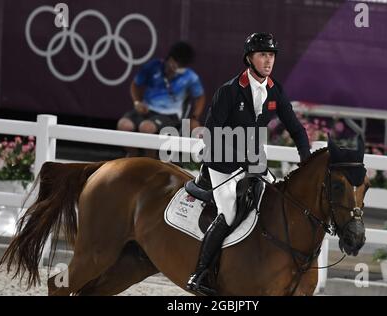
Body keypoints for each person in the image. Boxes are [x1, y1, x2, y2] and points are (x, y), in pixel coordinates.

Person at [186, 32, 311, 294]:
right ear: (249, 59)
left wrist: (306, 157)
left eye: (272, 55)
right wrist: (243, 159)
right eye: (263, 55)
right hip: (223, 164)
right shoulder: (229, 91)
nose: (268, 60)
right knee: (229, 212)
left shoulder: (274, 89)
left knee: (277, 201)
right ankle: (199, 275)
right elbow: (211, 134)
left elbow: (295, 127)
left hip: (253, 163)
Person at [117, 41, 206, 157]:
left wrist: (195, 117)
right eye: (175, 65)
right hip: (146, 110)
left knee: (146, 127)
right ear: (170, 59)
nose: (176, 69)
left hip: (169, 116)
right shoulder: (153, 66)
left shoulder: (190, 76)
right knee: (124, 125)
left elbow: (200, 97)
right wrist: (137, 102)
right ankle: (134, 156)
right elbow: (135, 84)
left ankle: (150, 161)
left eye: (181, 67)